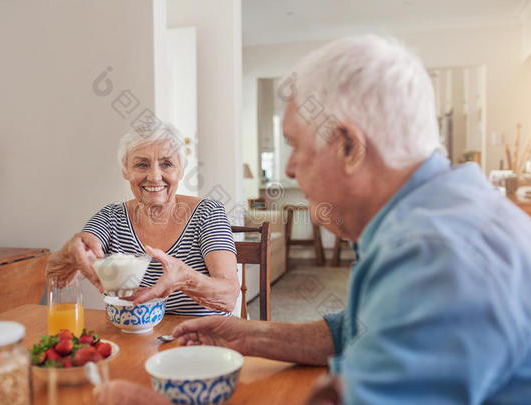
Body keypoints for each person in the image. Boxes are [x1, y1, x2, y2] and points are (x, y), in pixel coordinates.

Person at [94, 34, 531, 404]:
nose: (287, 169)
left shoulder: (439, 257)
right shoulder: (426, 217)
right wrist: (250, 335)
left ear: (348, 146)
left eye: (295, 145)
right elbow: (359, 329)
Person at [46, 123, 239, 316]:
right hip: (130, 341)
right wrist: (68, 257)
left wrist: (186, 278)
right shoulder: (110, 217)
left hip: (200, 340)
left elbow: (229, 297)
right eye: (142, 164)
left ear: (180, 171)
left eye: (167, 164)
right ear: (125, 171)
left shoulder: (208, 213)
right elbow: (56, 278)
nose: (155, 177)